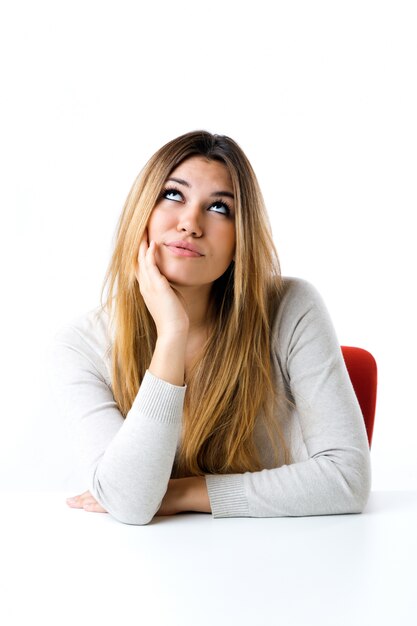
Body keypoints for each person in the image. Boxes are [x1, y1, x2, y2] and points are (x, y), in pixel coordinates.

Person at [48, 130, 371, 525]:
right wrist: (171, 334)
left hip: (287, 559)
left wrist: (182, 492)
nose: (190, 223)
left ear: (240, 240)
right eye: (173, 195)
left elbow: (347, 479)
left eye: (219, 208)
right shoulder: (81, 345)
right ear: (141, 214)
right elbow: (132, 503)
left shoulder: (293, 307)